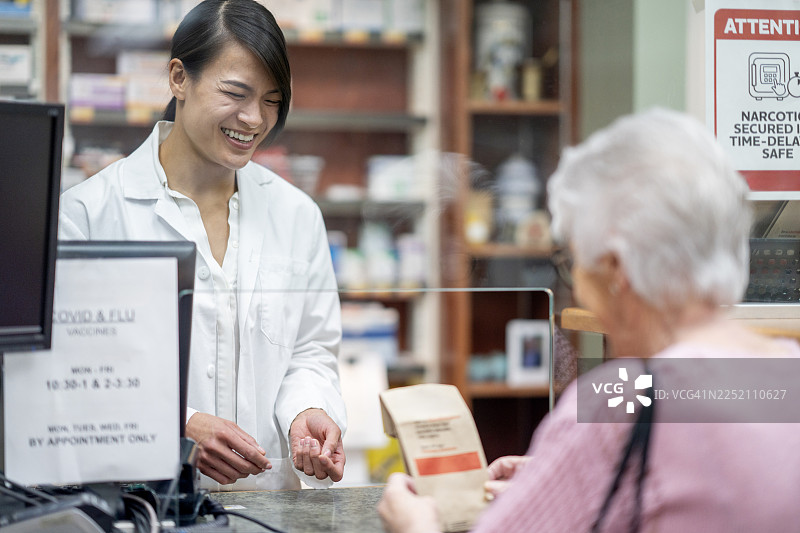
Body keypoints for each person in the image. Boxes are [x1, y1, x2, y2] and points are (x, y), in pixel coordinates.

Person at [378, 109, 800, 531]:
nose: (577, 287)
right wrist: (565, 472)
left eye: (574, 262)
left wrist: (415, 527)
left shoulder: (619, 404)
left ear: (617, 270)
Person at [59, 0, 347, 491]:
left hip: (267, 506)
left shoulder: (296, 215)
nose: (254, 119)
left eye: (273, 100)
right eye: (235, 92)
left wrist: (308, 409)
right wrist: (181, 423)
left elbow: (310, 350)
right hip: (142, 503)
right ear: (179, 79)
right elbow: (71, 372)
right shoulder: (88, 215)